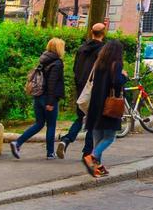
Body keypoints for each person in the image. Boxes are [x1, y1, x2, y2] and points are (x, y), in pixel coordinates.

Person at [10, 38, 65, 159]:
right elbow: (52, 83)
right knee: (51, 125)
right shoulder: (57, 63)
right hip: (49, 98)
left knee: (39, 123)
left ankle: (17, 143)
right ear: (58, 48)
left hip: (38, 96)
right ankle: (50, 153)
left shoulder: (43, 60)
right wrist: (51, 102)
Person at [57, 22, 105, 160]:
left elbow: (75, 69)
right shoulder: (103, 50)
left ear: (91, 32)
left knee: (80, 118)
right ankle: (87, 152)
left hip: (81, 89)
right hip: (95, 90)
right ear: (103, 33)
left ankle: (66, 140)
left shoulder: (82, 49)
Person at [82, 38, 128, 178]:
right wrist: (124, 76)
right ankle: (92, 157)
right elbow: (116, 82)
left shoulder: (99, 63)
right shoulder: (117, 63)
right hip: (109, 105)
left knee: (98, 137)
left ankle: (97, 168)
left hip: (95, 104)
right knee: (109, 137)